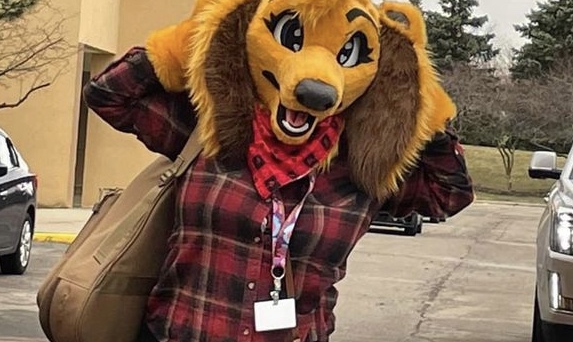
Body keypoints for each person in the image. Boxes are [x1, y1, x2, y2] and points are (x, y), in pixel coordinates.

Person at [83, 46, 473, 342]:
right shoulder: (216, 131)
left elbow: (449, 193)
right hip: (179, 332)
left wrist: (421, 99)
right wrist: (190, 39)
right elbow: (109, 95)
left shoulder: (364, 167)